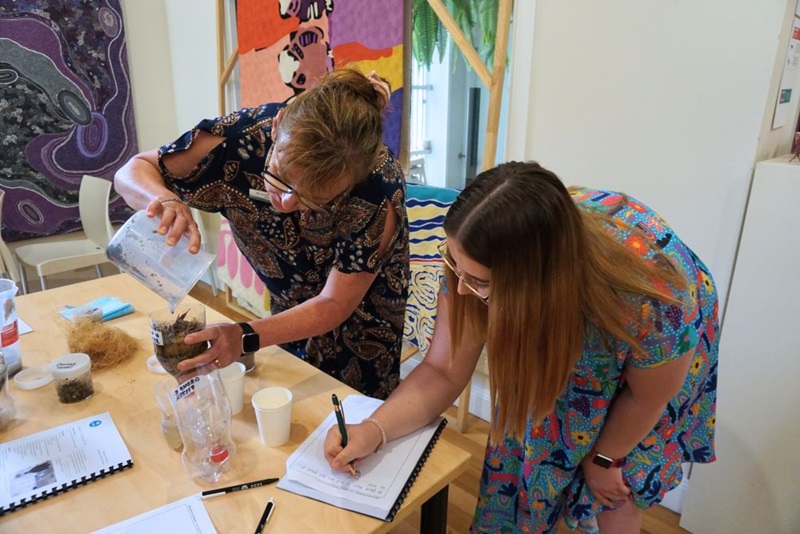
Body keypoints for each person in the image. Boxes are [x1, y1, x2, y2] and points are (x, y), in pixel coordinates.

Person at [324, 161, 719, 532]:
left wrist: (605, 458)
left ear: (533, 283)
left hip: (649, 346)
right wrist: (375, 429)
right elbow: (443, 369)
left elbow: (646, 400)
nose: (459, 288)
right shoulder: (475, 256)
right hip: (572, 313)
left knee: (614, 489)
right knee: (523, 457)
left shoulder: (657, 301)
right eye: (454, 264)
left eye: (478, 282)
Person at [114, 69, 409, 400]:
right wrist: (164, 199)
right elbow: (133, 170)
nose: (285, 204)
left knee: (353, 422)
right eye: (281, 177)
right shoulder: (239, 139)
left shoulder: (377, 190)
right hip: (287, 312)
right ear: (276, 124)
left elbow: (334, 302)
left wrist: (244, 335)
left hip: (362, 325)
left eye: (314, 200)